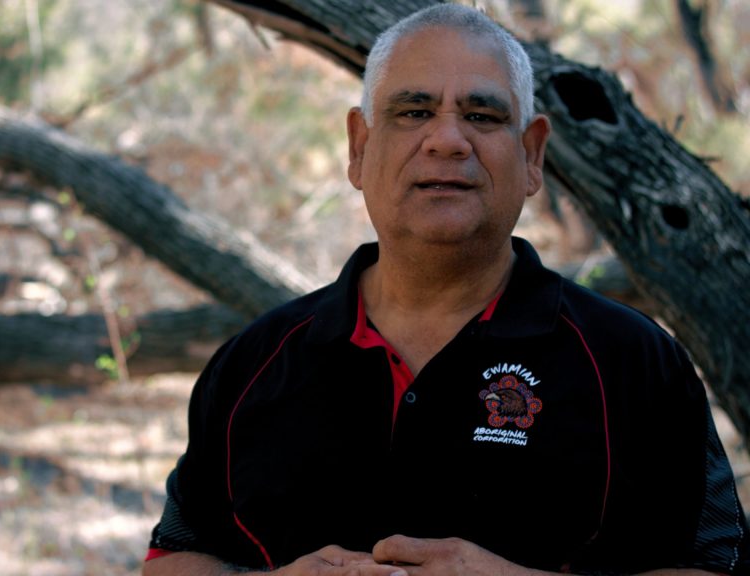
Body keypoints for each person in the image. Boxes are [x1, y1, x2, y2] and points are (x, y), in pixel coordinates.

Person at [142, 4, 750, 575]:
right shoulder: (253, 364)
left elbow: (714, 563)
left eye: (482, 116)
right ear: (359, 147)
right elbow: (173, 556)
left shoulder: (636, 365)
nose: (447, 140)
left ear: (532, 155)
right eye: (413, 111)